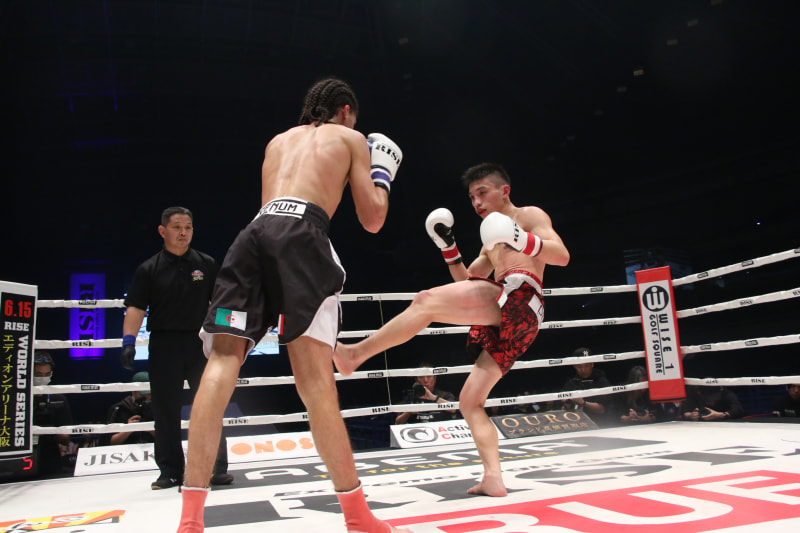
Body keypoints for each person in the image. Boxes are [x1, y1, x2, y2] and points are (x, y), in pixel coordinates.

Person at [177, 77, 409, 533]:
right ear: (345, 111)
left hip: (253, 234)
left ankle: (190, 519)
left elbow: (275, 211)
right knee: (315, 381)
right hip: (303, 235)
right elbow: (373, 219)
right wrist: (382, 173)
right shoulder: (350, 138)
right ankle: (357, 516)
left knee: (221, 364)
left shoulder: (277, 141)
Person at [335, 162, 570, 498]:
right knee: (469, 401)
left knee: (426, 300)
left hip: (521, 297)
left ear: (504, 190)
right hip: (514, 315)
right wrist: (449, 247)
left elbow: (561, 256)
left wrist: (520, 238)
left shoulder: (528, 215)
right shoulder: (490, 239)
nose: (477, 202)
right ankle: (493, 478)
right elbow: (468, 281)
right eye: (472, 197)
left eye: (482, 193)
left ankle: (354, 355)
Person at [121, 206, 231, 490]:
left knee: (210, 406)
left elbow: (222, 302)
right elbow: (136, 307)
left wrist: (226, 336)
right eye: (177, 227)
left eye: (188, 227)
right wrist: (128, 341)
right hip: (164, 345)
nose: (183, 233)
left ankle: (216, 468)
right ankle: (170, 471)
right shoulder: (149, 269)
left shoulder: (206, 263)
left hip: (200, 343)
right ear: (163, 231)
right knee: (165, 411)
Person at [32, 352, 74, 477]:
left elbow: (66, 438)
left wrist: (48, 431)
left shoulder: (58, 398)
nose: (43, 378)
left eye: (47, 374)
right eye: (38, 374)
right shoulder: (16, 399)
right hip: (23, 455)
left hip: (50, 458)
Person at [560, 347, 613, 427]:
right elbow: (565, 408)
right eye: (579, 367)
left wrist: (582, 402)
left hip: (598, 424)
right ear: (574, 366)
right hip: (576, 425)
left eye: (586, 366)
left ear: (592, 364)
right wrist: (566, 403)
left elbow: (601, 409)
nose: (583, 370)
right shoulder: (571, 382)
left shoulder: (601, 381)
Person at [104, 371, 156, 446]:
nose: (148, 397)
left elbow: (167, 440)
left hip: (152, 451)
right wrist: (128, 429)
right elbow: (109, 443)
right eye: (143, 394)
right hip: (124, 451)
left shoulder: (157, 410)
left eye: (150, 394)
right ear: (133, 391)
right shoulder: (119, 409)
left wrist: (151, 429)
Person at [679, 384, 745, 421]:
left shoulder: (727, 394)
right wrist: (690, 416)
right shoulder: (694, 394)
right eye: (708, 399)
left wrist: (722, 415)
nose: (711, 401)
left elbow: (738, 410)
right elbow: (685, 410)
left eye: (714, 398)